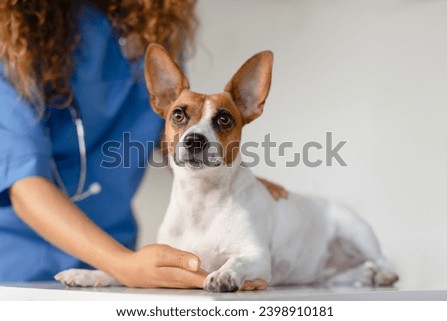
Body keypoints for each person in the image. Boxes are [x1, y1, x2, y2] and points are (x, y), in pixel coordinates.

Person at [0, 0, 287, 288]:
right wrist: (121, 264)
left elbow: (178, 140)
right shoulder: (12, 42)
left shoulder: (152, 32)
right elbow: (23, 181)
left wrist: (239, 183)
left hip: (122, 259)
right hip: (23, 263)